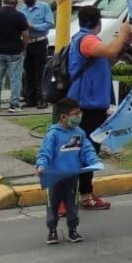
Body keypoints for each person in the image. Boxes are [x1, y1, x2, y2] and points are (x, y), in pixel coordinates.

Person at [66, 5, 132, 210]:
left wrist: (125, 44)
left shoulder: (89, 40)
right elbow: (110, 51)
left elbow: (110, 59)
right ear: (99, 22)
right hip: (86, 105)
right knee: (83, 152)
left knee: (87, 151)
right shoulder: (86, 40)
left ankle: (83, 194)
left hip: (92, 105)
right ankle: (78, 196)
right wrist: (122, 32)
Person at [36, 96, 101, 245]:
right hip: (54, 178)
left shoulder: (79, 133)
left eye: (79, 113)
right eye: (75, 114)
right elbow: (45, 152)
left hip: (72, 177)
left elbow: (87, 150)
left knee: (72, 206)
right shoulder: (53, 135)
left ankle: (73, 230)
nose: (79, 117)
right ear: (63, 117)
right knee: (52, 205)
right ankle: (52, 230)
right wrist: (41, 165)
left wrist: (94, 160)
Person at [17, 0, 54, 108]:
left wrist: (34, 27)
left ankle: (42, 99)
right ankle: (30, 99)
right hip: (27, 43)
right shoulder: (21, 9)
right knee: (28, 71)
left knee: (40, 71)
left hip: (39, 42)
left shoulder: (44, 7)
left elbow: (50, 23)